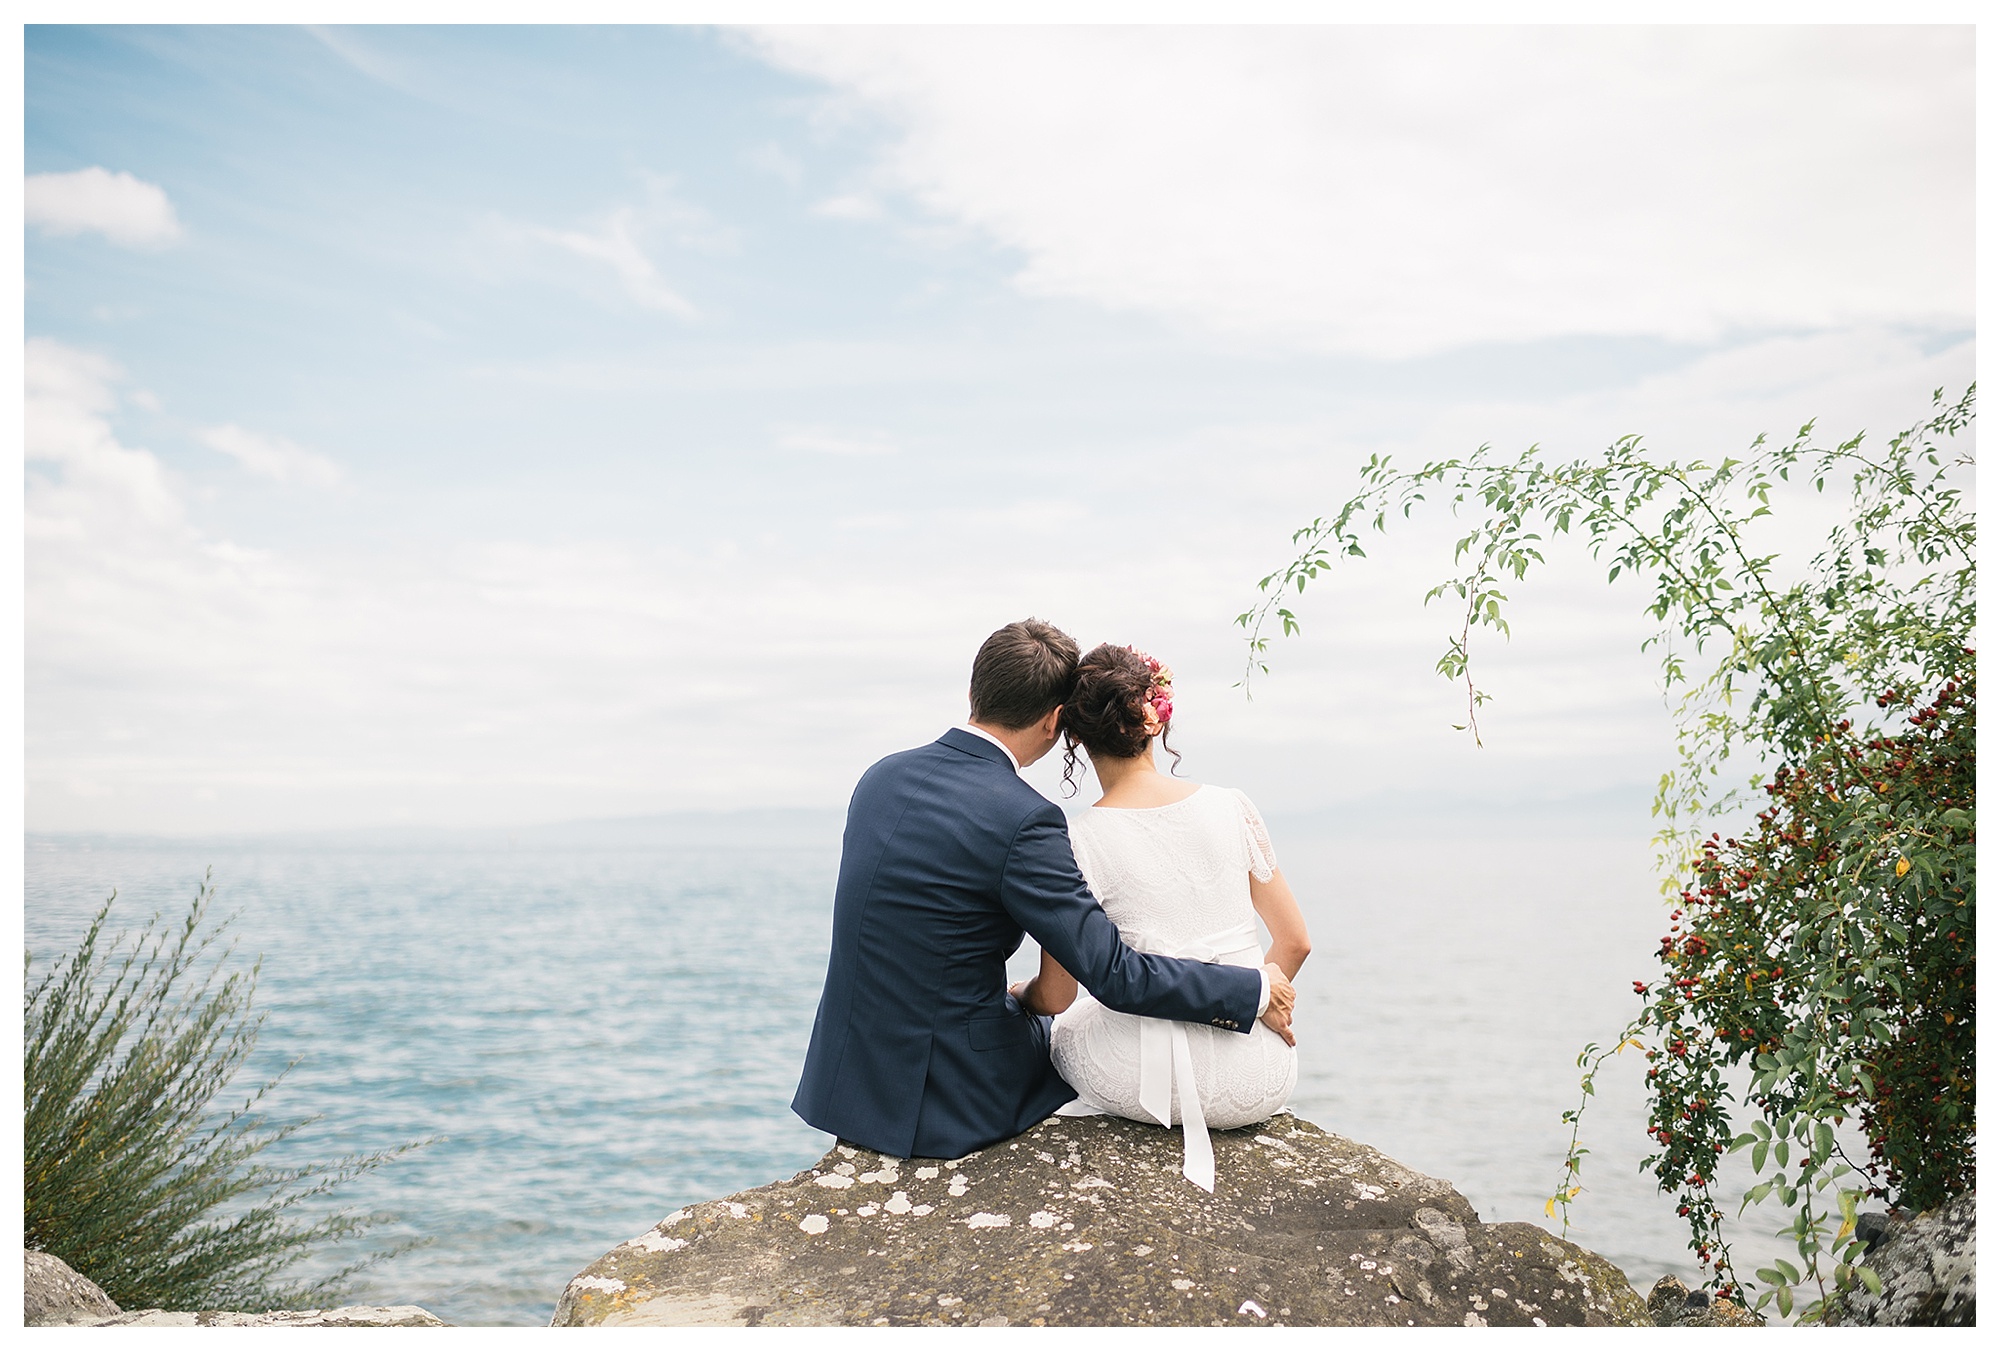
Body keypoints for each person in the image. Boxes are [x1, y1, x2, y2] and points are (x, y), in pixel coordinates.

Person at [792, 619, 1296, 1163]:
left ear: (974, 691)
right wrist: (1253, 990)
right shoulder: (1025, 818)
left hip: (849, 1076)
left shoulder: (879, 778)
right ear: (1056, 721)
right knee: (1065, 1036)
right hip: (950, 1094)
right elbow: (1113, 976)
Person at [1017, 643, 1311, 1191]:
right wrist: (1258, 1001)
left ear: (1074, 736)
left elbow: (1056, 997)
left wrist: (1018, 996)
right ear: (1156, 717)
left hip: (1139, 1079)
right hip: (1257, 1080)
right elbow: (1294, 942)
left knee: (1070, 1029)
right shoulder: (1232, 805)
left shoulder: (1076, 840)